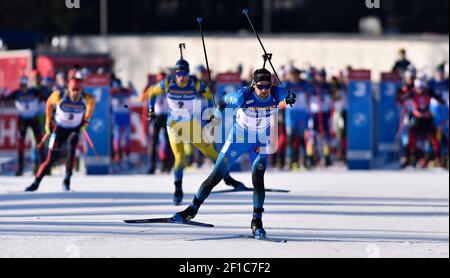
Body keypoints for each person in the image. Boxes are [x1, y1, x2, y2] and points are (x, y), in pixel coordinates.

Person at [173, 68, 296, 238]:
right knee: (215, 176)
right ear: (254, 85)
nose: (264, 90)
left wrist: (291, 97)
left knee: (258, 179)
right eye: (260, 86)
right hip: (238, 139)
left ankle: (257, 222)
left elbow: (289, 94)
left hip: (260, 141)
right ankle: (191, 210)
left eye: (267, 86)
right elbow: (223, 101)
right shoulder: (242, 96)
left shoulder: (277, 92)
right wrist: (216, 113)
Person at [146, 58, 245, 205]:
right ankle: (178, 190)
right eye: (179, 73)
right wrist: (151, 110)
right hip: (173, 126)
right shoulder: (167, 83)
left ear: (188, 73)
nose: (181, 76)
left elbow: (208, 96)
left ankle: (227, 178)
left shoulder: (195, 83)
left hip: (190, 124)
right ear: (175, 73)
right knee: (180, 158)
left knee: (210, 151)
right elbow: (151, 93)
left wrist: (212, 111)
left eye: (184, 73)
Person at [25, 71, 96, 192]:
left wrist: (86, 120)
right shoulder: (59, 95)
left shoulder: (87, 98)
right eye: (73, 89)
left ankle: (67, 180)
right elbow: (48, 103)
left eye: (78, 89)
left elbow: (91, 105)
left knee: (72, 145)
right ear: (68, 87)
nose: (75, 92)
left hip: (74, 128)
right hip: (60, 129)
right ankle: (36, 183)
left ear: (81, 89)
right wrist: (48, 122)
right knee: (51, 159)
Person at [0, 76, 45, 176]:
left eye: (24, 85)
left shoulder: (34, 92)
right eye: (21, 85)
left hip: (34, 119)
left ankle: (44, 166)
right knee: (20, 144)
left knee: (39, 142)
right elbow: (5, 98)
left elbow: (46, 97)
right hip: (23, 120)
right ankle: (20, 168)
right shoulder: (17, 93)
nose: (22, 88)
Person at [399, 79, 445, 168]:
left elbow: (438, 98)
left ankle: (439, 158)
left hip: (427, 120)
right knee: (411, 136)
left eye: (421, 88)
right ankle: (407, 158)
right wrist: (401, 97)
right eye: (418, 88)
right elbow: (403, 98)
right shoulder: (413, 93)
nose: (420, 90)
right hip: (417, 119)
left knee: (434, 137)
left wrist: (441, 100)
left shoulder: (428, 92)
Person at [283, 67, 310, 170]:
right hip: (290, 113)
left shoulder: (303, 84)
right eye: (292, 74)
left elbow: (310, 90)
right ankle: (290, 161)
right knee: (290, 138)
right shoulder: (286, 84)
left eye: (296, 74)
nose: (294, 77)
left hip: (302, 113)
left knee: (302, 138)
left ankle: (304, 161)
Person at [110, 79, 132, 164]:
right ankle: (117, 155)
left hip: (125, 115)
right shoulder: (112, 93)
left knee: (127, 136)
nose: (117, 90)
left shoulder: (125, 92)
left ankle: (127, 154)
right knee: (117, 136)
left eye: (118, 87)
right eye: (116, 88)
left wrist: (129, 87)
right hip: (116, 116)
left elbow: (135, 93)